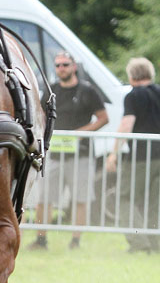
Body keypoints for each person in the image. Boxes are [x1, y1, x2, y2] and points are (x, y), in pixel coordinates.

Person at [30, 51, 108, 249]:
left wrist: (80, 133)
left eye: (65, 64)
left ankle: (75, 240)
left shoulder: (87, 91)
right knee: (44, 198)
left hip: (80, 154)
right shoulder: (51, 90)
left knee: (80, 199)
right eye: (57, 65)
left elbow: (103, 117)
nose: (61, 69)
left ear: (74, 67)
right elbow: (40, 115)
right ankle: (41, 240)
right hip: (54, 154)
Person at [106, 56, 160, 252]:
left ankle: (139, 242)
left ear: (131, 76)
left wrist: (113, 154)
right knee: (154, 202)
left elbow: (126, 124)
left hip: (141, 157)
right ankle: (156, 243)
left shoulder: (133, 96)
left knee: (123, 197)